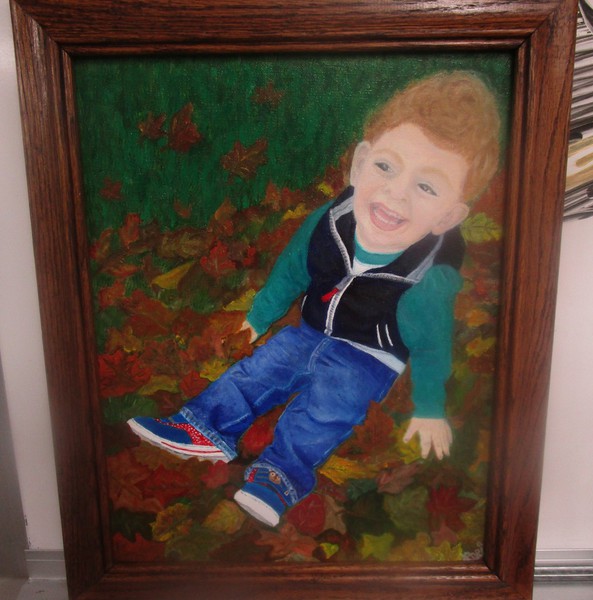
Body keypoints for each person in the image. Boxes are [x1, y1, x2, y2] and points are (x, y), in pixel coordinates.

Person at [128, 71, 501, 527]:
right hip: (310, 330)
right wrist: (259, 316)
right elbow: (292, 268)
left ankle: (281, 475)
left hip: (369, 356)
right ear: (359, 164)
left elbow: (431, 346)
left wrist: (428, 407)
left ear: (448, 216)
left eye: (426, 187)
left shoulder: (428, 280)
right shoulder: (330, 220)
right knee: (260, 369)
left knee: (327, 409)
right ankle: (203, 426)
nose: (395, 193)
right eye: (386, 167)